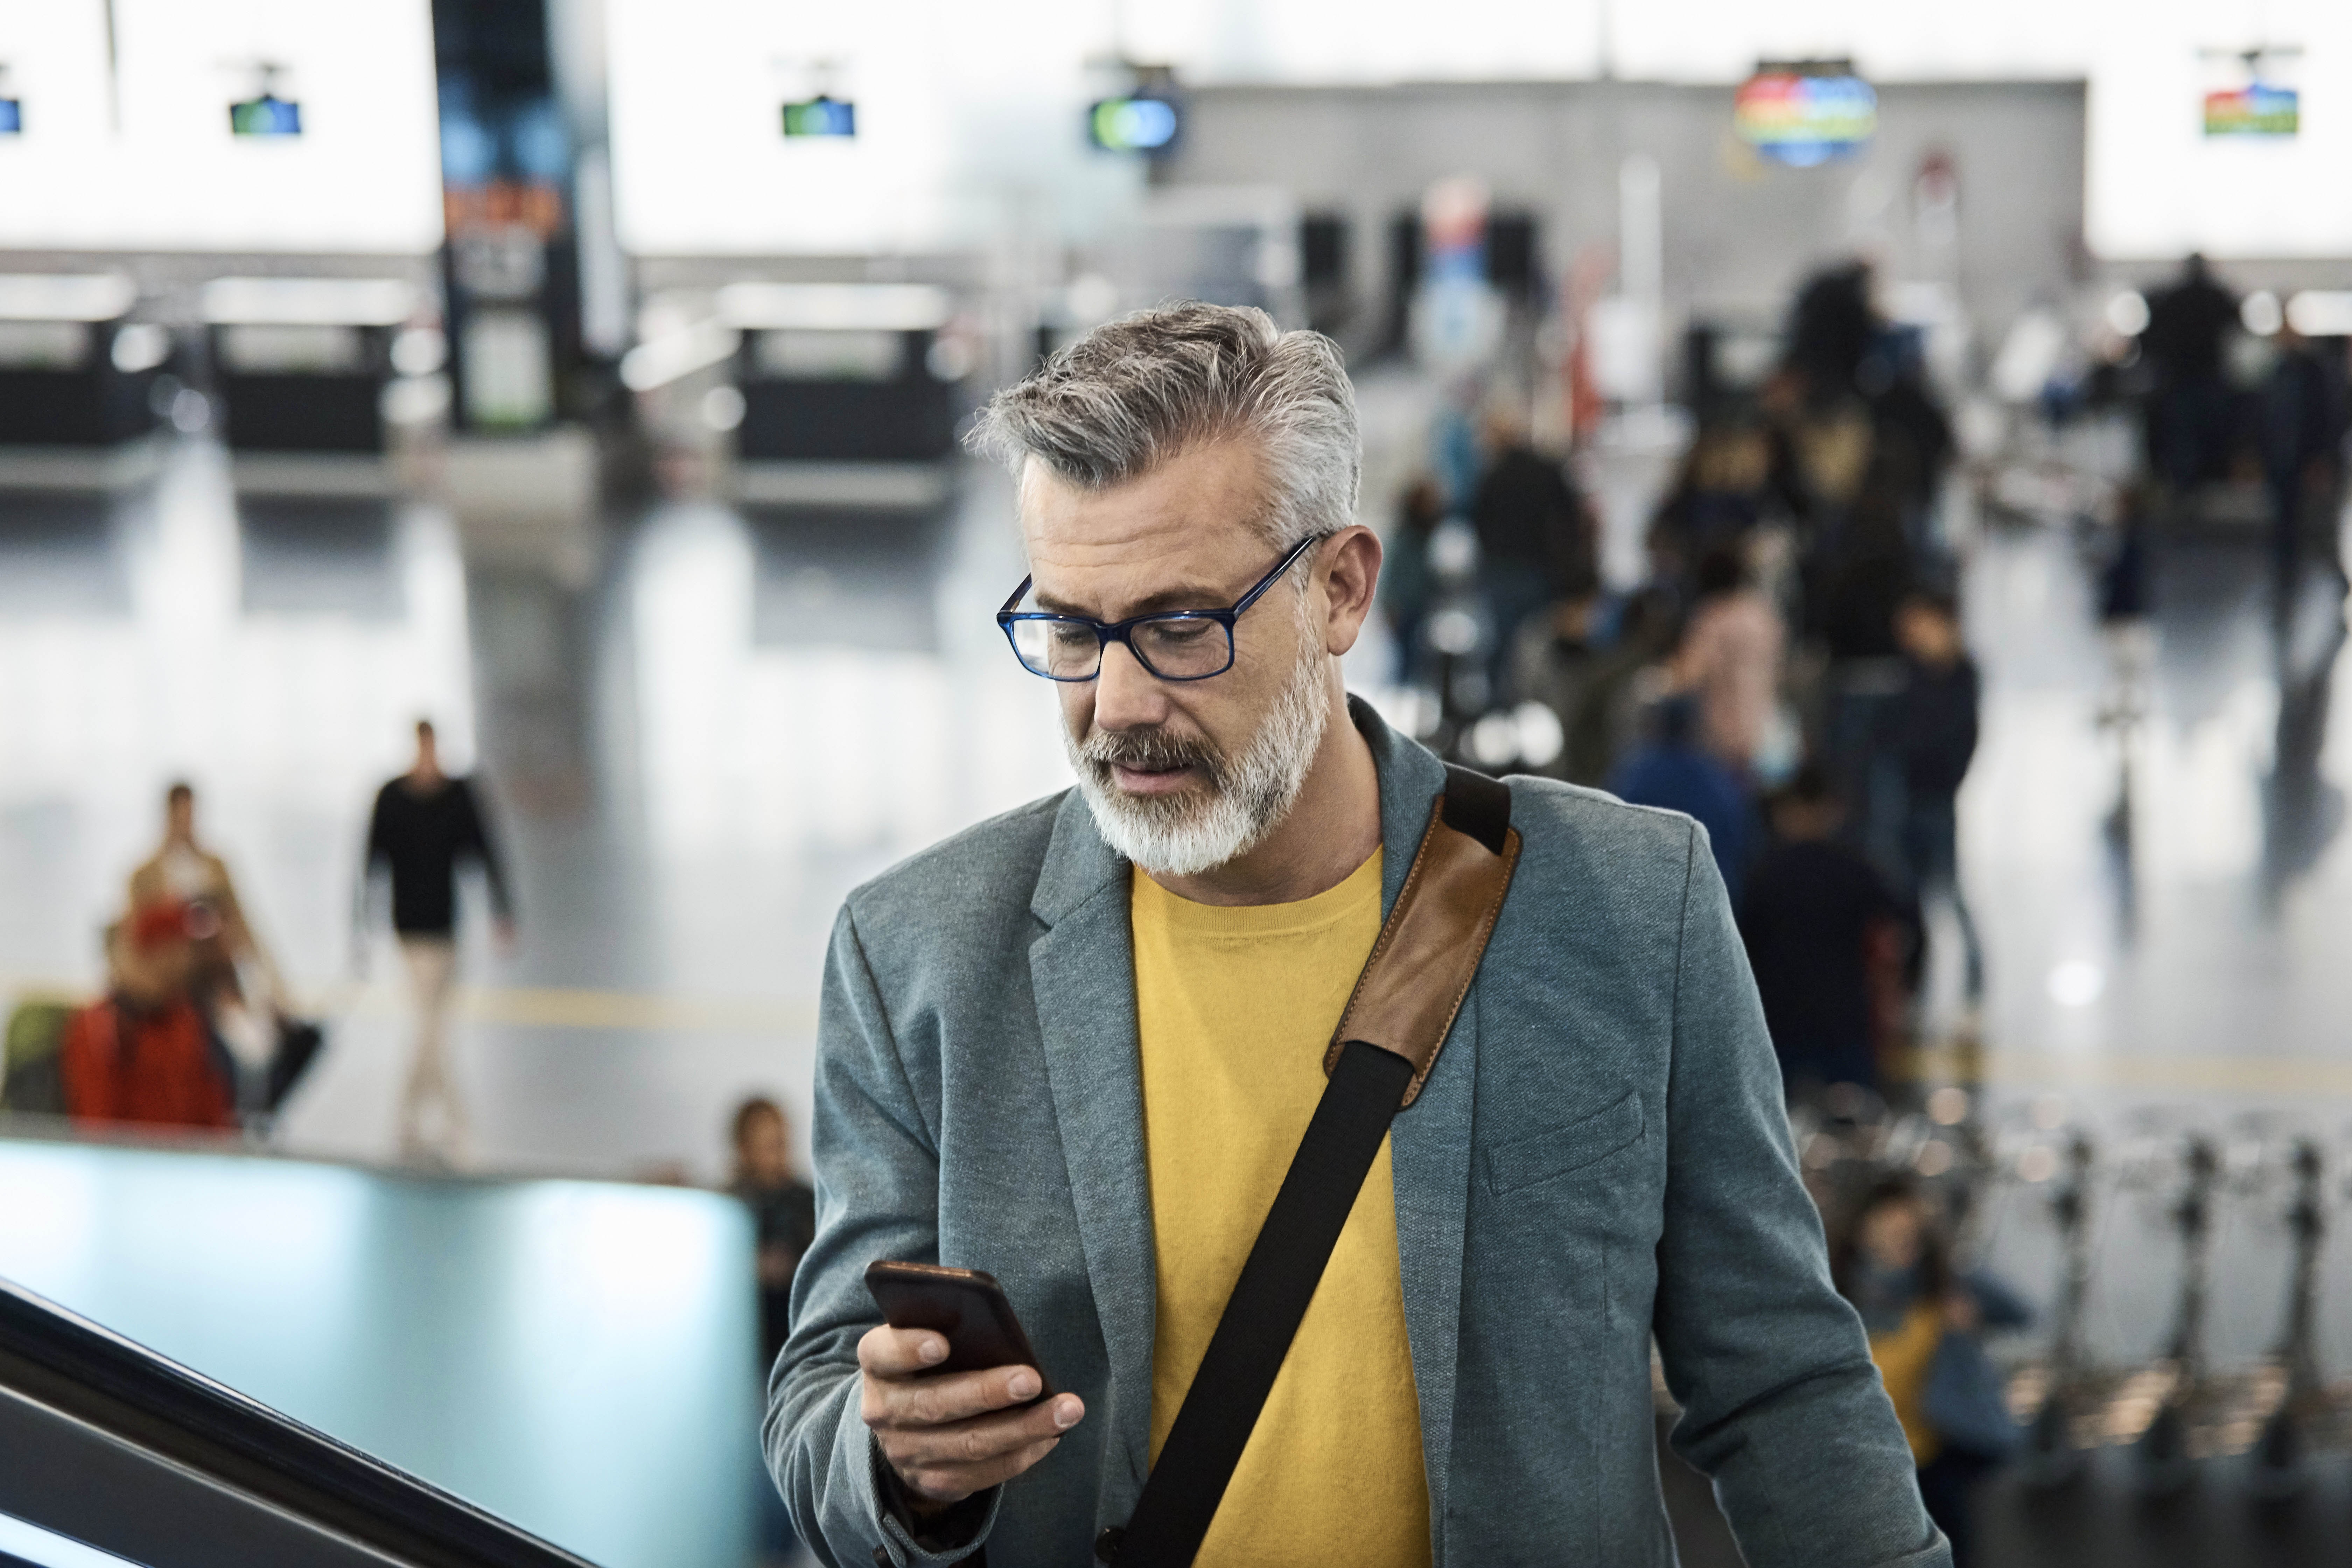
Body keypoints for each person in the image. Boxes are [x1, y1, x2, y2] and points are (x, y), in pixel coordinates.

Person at [767, 302, 1946, 1567]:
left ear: (1338, 589)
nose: (1113, 705)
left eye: (1176, 626)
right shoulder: (918, 960)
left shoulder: (1623, 906)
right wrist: (897, 1464)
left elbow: (1779, 1380)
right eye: (1067, 630)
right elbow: (815, 1411)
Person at [1831, 1177, 2031, 1568]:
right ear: (1861, 1231)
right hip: (1861, 1468)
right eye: (1891, 1232)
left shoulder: (1942, 1286)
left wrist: (1965, 1293)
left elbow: (2021, 1312)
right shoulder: (1838, 1295)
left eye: (1911, 1234)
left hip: (1932, 1461)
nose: (1901, 1245)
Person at [356, 720, 513, 1165]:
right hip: (410, 929)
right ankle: (452, 1126)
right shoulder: (391, 798)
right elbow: (370, 861)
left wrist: (503, 910)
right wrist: (361, 927)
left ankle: (411, 1123)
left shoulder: (458, 796)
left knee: (433, 1029)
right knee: (432, 1031)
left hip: (448, 928)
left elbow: (485, 851)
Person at [1738, 766, 1917, 1099]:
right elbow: (1907, 922)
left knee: (1781, 1126)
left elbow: (1740, 949)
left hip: (1778, 1022)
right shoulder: (1856, 870)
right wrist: (1905, 988)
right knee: (1854, 1123)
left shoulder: (1765, 874)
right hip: (1844, 1023)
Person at [1888, 592, 1982, 1002]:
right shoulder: (1910, 672)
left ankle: (1974, 987)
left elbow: (1959, 739)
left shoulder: (1961, 675)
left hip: (1938, 800)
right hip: (1907, 797)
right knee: (1909, 900)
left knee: (1951, 895)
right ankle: (1913, 988)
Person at [1468, 404, 1594, 689]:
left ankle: (1502, 707)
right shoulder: (1547, 470)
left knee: (1502, 647)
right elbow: (1572, 517)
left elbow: (1478, 523)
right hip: (1541, 569)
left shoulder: (1492, 477)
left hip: (1501, 571)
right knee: (1543, 643)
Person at [1606, 693, 1756, 905]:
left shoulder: (1636, 775)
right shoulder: (1714, 779)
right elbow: (1740, 838)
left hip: (1643, 900)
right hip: (1709, 899)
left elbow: (1611, 832)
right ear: (1692, 727)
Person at [1673, 545, 1784, 775]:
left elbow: (1690, 675)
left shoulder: (1711, 619)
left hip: (1724, 737)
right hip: (1768, 730)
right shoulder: (1763, 615)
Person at [2138, 253, 2241, 493]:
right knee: (2207, 443)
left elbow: (2148, 340)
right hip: (2204, 385)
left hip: (2181, 386)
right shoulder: (2216, 298)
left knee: (2184, 447)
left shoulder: (2171, 299)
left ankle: (2185, 489)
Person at [731, 1096, 818, 1371]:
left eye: (779, 1144)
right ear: (744, 1148)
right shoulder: (731, 1206)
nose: (776, 1155)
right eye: (766, 1146)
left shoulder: (806, 1201)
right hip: (746, 1339)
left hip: (797, 1339)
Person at [1378, 475, 1444, 685]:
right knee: (1405, 655)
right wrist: (1390, 605)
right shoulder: (1405, 539)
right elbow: (1392, 575)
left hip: (1422, 604)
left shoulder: (1428, 536)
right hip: (1404, 607)